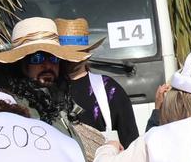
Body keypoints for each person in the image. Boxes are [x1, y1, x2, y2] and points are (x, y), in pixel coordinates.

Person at [55, 18, 139, 148]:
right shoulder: (47, 90)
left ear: (87, 52)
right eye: (67, 54)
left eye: (75, 53)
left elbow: (131, 145)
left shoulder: (109, 89)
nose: (71, 60)